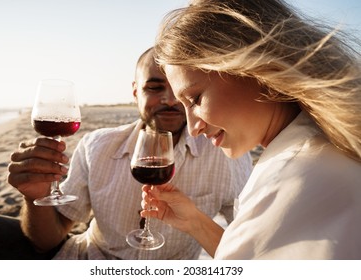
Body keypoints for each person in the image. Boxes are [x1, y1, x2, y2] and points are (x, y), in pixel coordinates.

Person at [0, 47, 252, 260]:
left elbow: (248, 249)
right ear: (135, 93)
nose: (169, 100)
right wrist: (33, 198)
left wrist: (195, 222)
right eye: (154, 87)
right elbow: (48, 240)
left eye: (180, 91)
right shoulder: (98, 145)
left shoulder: (227, 153)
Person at [141, 0, 361, 259]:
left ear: (255, 68)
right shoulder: (327, 147)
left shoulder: (291, 180)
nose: (193, 128)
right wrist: (195, 222)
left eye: (196, 99)